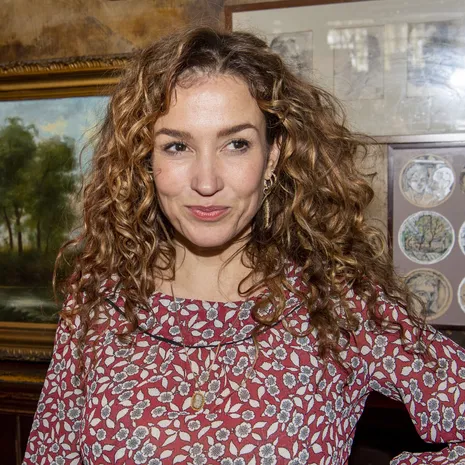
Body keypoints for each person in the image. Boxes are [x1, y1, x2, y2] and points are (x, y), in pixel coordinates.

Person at [23, 27, 465, 465]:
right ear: (146, 160)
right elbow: (50, 454)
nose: (207, 181)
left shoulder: (337, 303)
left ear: (272, 157)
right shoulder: (99, 298)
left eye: (236, 144)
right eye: (177, 146)